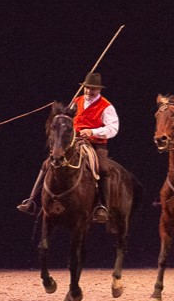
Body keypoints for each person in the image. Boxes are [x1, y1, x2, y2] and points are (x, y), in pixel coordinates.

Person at [17, 73, 118, 223]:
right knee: (48, 163)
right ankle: (31, 199)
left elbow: (113, 128)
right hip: (73, 140)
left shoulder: (106, 107)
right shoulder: (77, 100)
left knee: (103, 168)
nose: (89, 91)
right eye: (87, 88)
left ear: (99, 90)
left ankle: (102, 206)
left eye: (92, 89)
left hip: (95, 143)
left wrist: (92, 132)